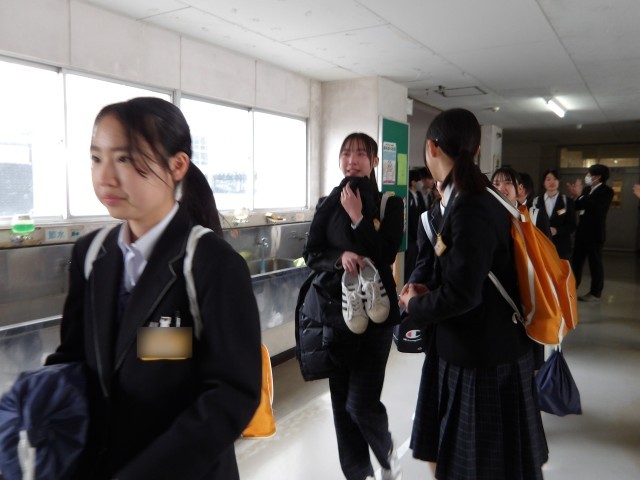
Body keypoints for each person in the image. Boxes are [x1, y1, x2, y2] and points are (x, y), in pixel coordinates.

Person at [45, 97, 262, 480]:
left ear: (177, 165)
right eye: (96, 158)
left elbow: (231, 393)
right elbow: (74, 357)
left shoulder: (212, 263)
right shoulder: (91, 254)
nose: (105, 177)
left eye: (125, 159)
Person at [399, 108, 548, 480]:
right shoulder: (478, 198)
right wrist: (429, 288)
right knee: (465, 459)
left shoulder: (470, 205)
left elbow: (463, 296)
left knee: (477, 466)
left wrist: (415, 303)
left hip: (481, 358)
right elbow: (469, 277)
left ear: (431, 148)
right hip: (480, 348)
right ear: (477, 150)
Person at [299, 132, 404, 480]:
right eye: (346, 153)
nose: (352, 160)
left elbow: (386, 253)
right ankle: (358, 474)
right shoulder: (328, 203)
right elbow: (311, 254)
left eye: (361, 154)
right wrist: (339, 257)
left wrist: (358, 218)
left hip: (377, 314)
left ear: (374, 161)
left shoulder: (390, 203)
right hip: (338, 314)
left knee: (360, 403)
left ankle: (385, 450)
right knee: (342, 406)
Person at [566, 164, 614, 302]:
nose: (587, 177)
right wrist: (574, 197)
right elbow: (577, 206)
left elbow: (596, 208)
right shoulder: (587, 190)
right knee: (576, 262)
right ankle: (572, 288)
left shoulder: (607, 191)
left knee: (595, 264)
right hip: (581, 232)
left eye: (589, 174)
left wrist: (580, 195)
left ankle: (595, 292)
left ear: (597, 177)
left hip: (595, 234)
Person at [492, 167, 552, 238]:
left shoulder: (535, 216)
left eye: (508, 183)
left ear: (519, 188)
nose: (500, 188)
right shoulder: (485, 214)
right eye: (496, 184)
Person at [531, 169, 576, 259]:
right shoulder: (536, 201)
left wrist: (557, 230)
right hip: (541, 246)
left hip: (561, 248)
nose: (552, 182)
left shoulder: (567, 201)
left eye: (555, 179)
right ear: (543, 182)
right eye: (548, 179)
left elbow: (572, 225)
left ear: (559, 181)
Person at [405, 168, 427, 282]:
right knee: (409, 264)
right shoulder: (408, 195)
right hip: (410, 237)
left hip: (417, 235)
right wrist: (416, 236)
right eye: (419, 181)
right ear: (413, 182)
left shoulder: (417, 195)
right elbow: (410, 218)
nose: (421, 183)